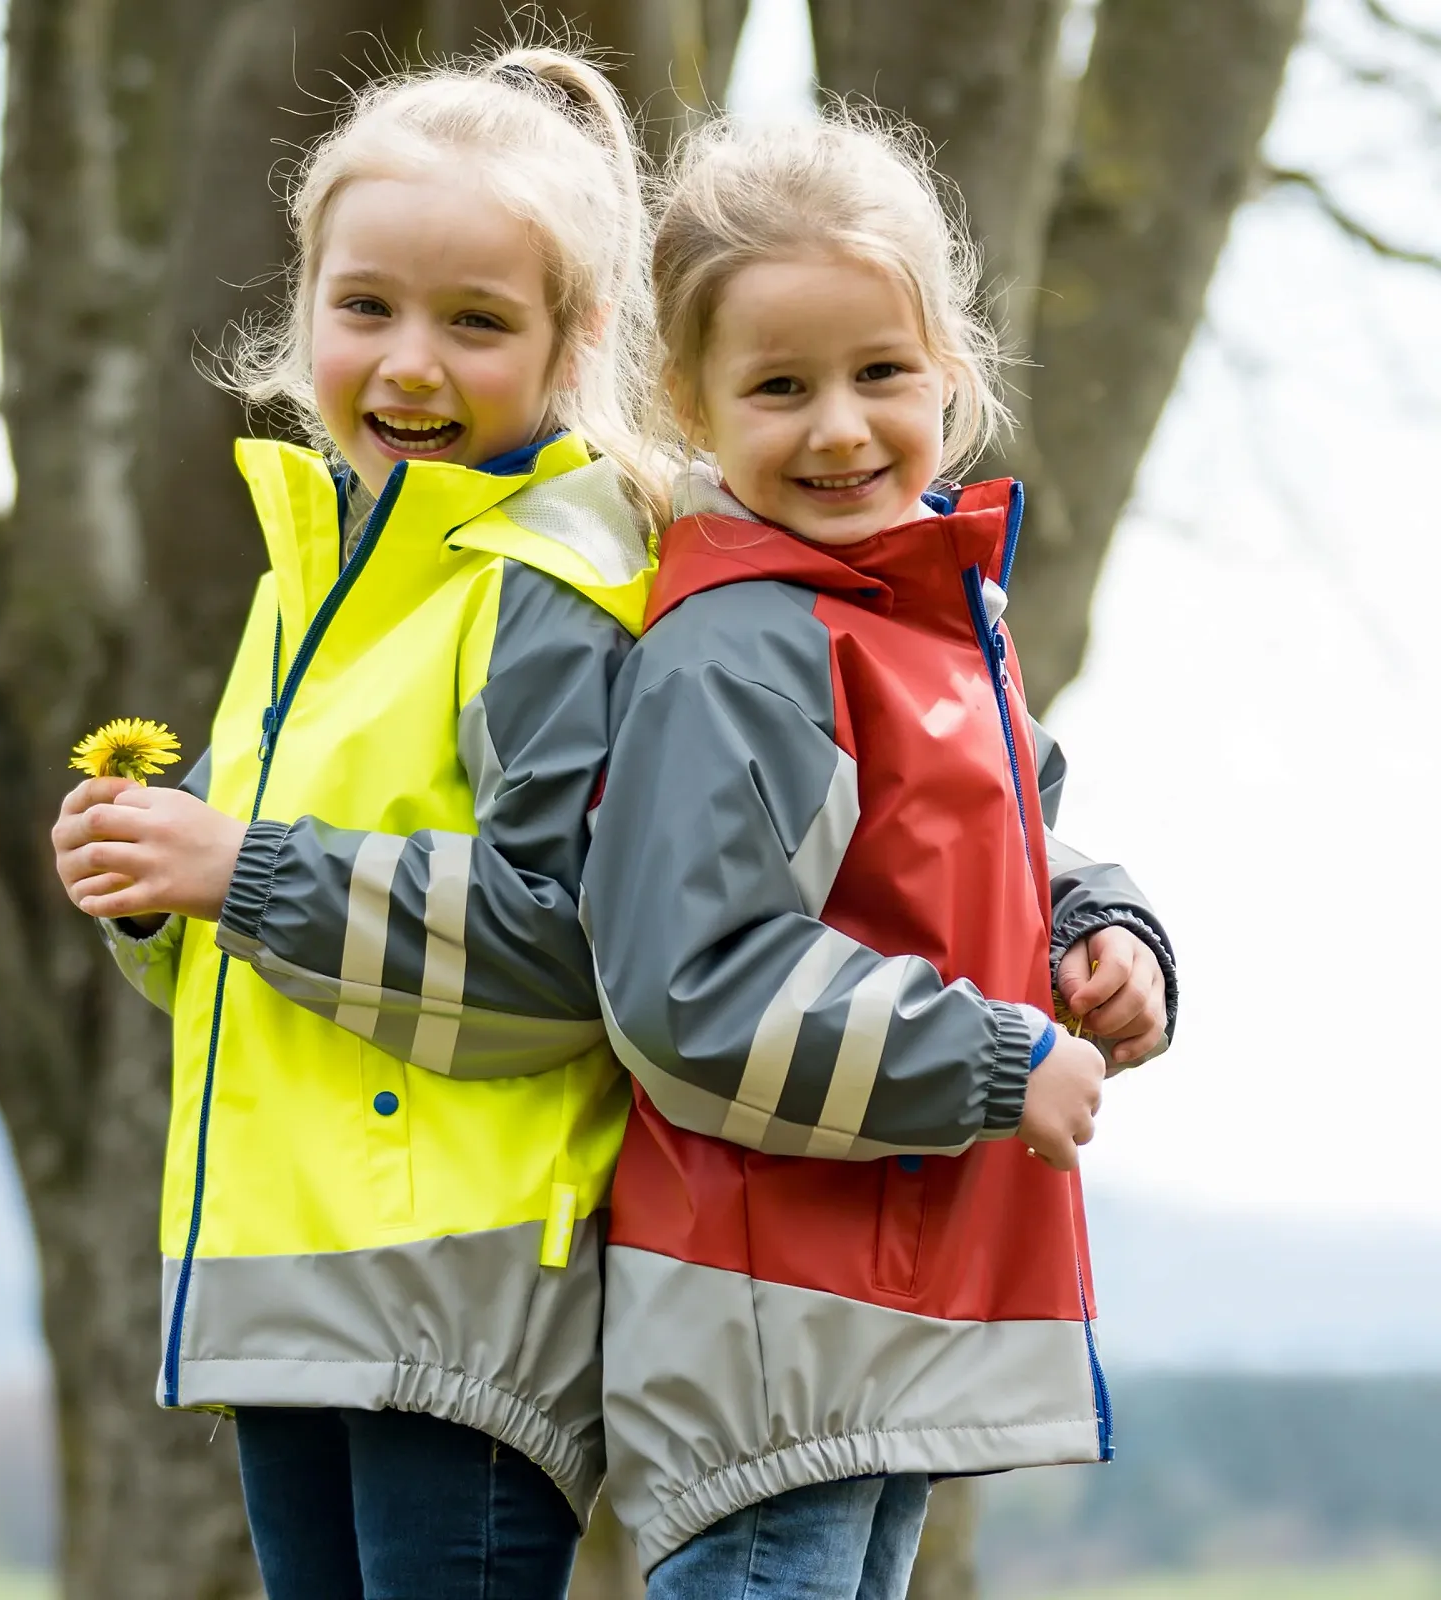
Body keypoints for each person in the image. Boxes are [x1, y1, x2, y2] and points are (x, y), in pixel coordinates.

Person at [50, 44, 662, 1600]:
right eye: (368, 307)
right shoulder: (305, 589)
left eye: (478, 322)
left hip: (456, 1307)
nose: (411, 364)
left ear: (572, 344)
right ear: (305, 305)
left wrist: (235, 866)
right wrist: (156, 903)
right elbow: (271, 975)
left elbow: (563, 948)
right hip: (290, 1282)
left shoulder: (549, 589)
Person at [581, 109, 1179, 1599]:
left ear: (950, 370)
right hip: (774, 1321)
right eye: (780, 387)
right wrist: (991, 1059)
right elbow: (691, 985)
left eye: (880, 375)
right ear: (690, 400)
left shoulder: (919, 621)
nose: (840, 427)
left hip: (892, 1314)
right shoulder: (741, 650)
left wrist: (1103, 939)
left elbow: (1003, 846)